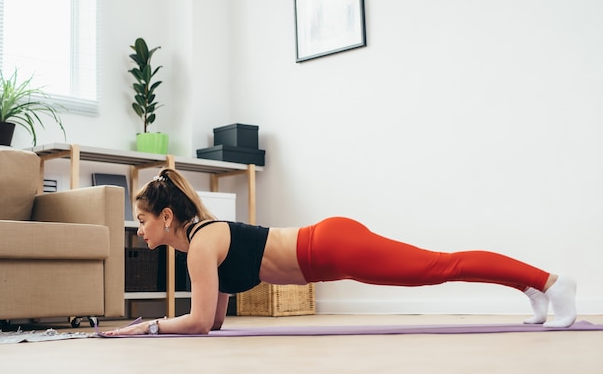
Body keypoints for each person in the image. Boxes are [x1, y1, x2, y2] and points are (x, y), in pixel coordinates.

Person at [104, 169, 577, 336]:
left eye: (142, 221)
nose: (140, 230)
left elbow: (199, 324)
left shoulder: (202, 243)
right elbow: (216, 320)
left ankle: (552, 283)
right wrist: (167, 325)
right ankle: (533, 290)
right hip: (328, 246)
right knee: (439, 266)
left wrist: (143, 327)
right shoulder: (201, 244)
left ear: (167, 217)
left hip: (331, 247)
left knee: (438, 267)